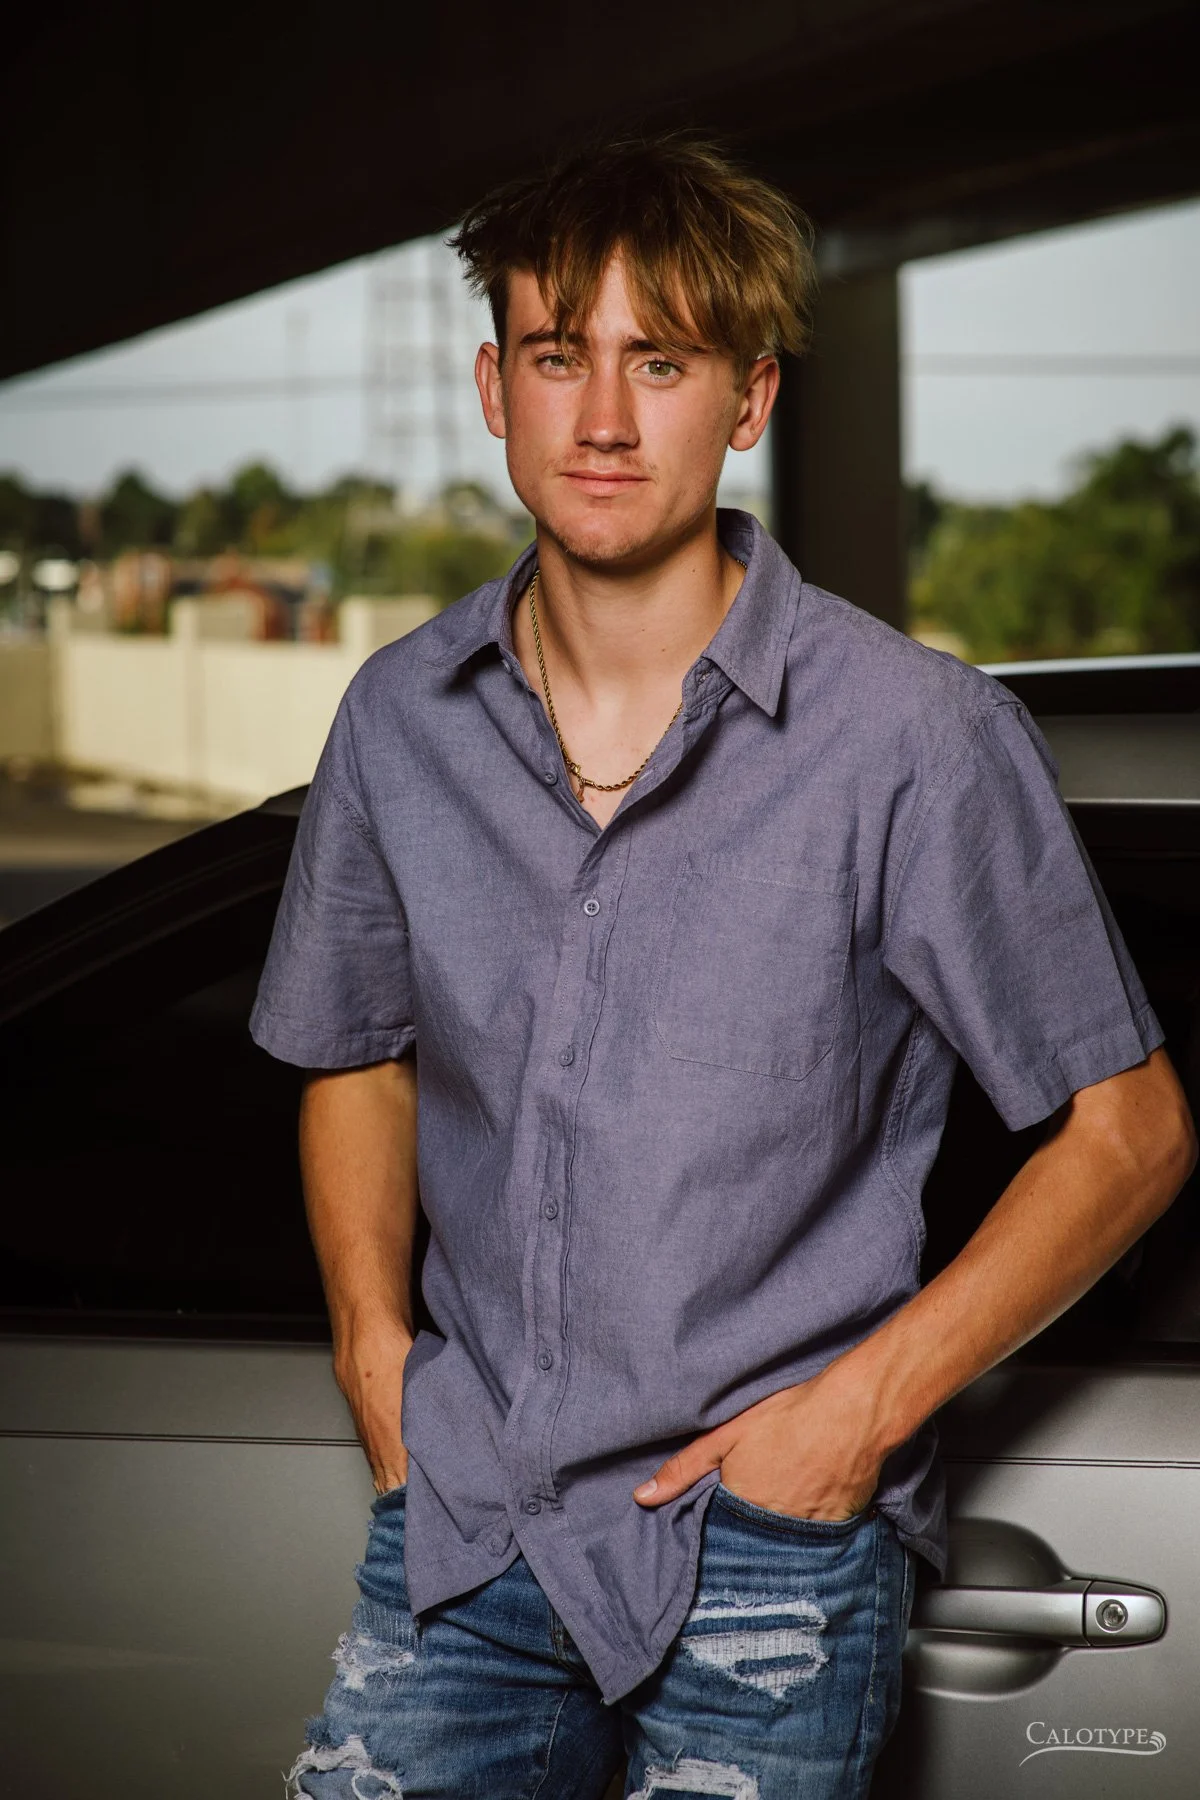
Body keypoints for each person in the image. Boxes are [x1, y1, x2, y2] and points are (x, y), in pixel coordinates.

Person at [250, 135, 1195, 1800]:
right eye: (561, 356)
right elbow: (355, 1050)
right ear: (495, 384)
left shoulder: (915, 739)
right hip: (471, 1525)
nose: (604, 418)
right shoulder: (399, 722)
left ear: (746, 399)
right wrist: (371, 1353)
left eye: (661, 362)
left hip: (767, 1560)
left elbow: (1132, 1131)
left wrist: (854, 1418)